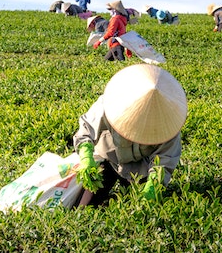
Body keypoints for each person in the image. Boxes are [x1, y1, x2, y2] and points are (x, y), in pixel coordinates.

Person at [74, 64, 188, 206]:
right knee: (85, 205)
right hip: (109, 158)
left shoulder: (169, 125)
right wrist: (86, 158)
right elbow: (86, 130)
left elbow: (164, 162)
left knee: (140, 207)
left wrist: (152, 187)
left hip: (140, 168)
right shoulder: (109, 103)